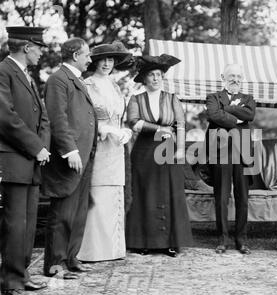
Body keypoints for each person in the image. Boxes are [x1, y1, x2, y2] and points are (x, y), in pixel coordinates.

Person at [0, 26, 50, 295]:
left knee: (28, 222)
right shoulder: (4, 71)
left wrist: (42, 148)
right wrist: (36, 147)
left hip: (30, 159)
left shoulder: (25, 75)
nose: (42, 52)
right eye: (39, 47)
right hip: (14, 158)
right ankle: (11, 283)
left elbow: (41, 117)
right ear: (27, 47)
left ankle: (21, 274)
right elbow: (5, 117)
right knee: (15, 223)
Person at [126, 54, 193, 257]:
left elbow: (180, 125)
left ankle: (170, 242)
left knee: (168, 193)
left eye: (158, 74)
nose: (155, 78)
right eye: (151, 75)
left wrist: (180, 150)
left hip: (168, 151)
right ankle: (145, 242)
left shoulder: (172, 98)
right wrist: (158, 129)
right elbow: (134, 122)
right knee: (145, 194)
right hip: (144, 152)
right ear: (144, 78)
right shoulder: (136, 99)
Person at [42, 38, 97, 279]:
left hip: (84, 155)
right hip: (71, 157)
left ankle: (71, 258)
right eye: (87, 55)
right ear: (75, 55)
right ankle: (55, 263)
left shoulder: (76, 80)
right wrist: (70, 150)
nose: (90, 59)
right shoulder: (58, 79)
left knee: (78, 211)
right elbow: (57, 119)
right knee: (63, 211)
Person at [77, 42, 132, 262]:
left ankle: (113, 249)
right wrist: (105, 128)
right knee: (97, 194)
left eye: (111, 60)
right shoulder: (87, 84)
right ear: (94, 62)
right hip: (96, 146)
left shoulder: (115, 86)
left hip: (116, 148)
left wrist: (123, 130)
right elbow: (82, 118)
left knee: (113, 194)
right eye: (103, 59)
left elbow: (119, 116)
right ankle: (92, 250)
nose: (108, 64)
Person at [205, 63, 256, 254]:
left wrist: (226, 110)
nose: (235, 79)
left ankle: (241, 240)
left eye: (239, 76)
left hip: (242, 152)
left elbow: (250, 114)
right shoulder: (213, 97)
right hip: (220, 151)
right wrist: (237, 117)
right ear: (223, 77)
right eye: (231, 76)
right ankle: (222, 240)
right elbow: (213, 114)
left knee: (242, 197)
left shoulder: (248, 98)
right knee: (221, 197)